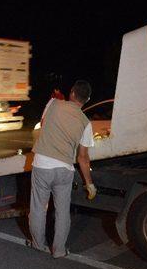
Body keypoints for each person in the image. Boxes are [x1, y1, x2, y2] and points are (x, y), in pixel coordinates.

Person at [29, 80, 97, 258]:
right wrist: (89, 184)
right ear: (87, 99)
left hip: (42, 164)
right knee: (62, 212)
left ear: (72, 92)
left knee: (38, 208)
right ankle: (59, 251)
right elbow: (83, 157)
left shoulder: (53, 104)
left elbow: (43, 125)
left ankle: (38, 244)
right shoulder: (86, 123)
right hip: (65, 169)